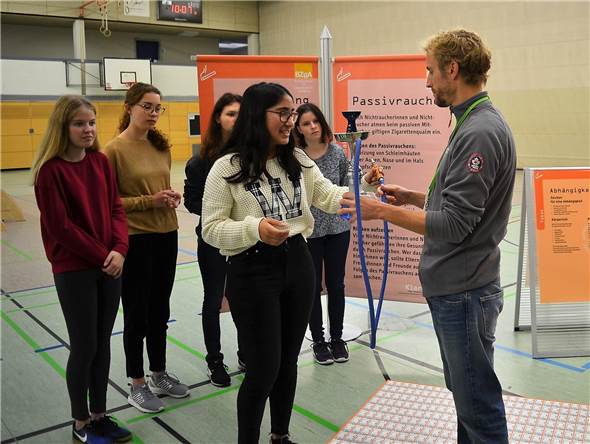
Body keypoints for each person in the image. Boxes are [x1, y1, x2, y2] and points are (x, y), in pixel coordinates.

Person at [340, 29, 515, 443]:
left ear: (453, 70)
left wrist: (382, 210)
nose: (427, 80)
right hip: (461, 286)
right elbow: (464, 203)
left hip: (464, 290)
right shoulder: (472, 121)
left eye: (431, 71)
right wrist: (417, 196)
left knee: (477, 406)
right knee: (468, 399)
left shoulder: (479, 132)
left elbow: (456, 224)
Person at [202, 82, 380, 444]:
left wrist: (365, 187)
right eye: (282, 114)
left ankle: (280, 436)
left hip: (297, 264)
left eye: (292, 114)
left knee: (286, 363)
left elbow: (328, 196)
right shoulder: (226, 168)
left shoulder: (297, 160)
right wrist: (255, 229)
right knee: (262, 369)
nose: (291, 122)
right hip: (252, 271)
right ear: (257, 115)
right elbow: (212, 229)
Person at [32, 95, 132, 444]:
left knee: (102, 343)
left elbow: (116, 209)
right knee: (84, 345)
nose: (87, 129)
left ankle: (100, 415)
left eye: (91, 122)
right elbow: (61, 227)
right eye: (79, 123)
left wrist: (119, 249)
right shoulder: (50, 171)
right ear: (63, 127)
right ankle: (80, 422)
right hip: (75, 269)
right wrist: (104, 254)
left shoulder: (101, 163)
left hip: (109, 266)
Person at [104, 83, 189, 414]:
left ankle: (158, 373)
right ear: (129, 107)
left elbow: (160, 187)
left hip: (166, 234)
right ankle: (136, 383)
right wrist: (149, 201)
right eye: (147, 107)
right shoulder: (113, 151)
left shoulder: (160, 146)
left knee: (160, 312)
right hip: (135, 240)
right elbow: (109, 204)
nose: (154, 113)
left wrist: (168, 196)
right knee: (137, 313)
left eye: (158, 108)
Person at [293, 103, 381, 366]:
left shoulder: (337, 153)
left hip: (338, 230)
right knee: (312, 288)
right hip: (309, 232)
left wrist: (366, 179)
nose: (313, 126)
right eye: (307, 123)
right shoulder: (296, 158)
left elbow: (348, 187)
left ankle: (337, 338)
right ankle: (318, 341)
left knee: (336, 284)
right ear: (298, 129)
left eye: (316, 121)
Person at [184, 92, 245, 387]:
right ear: (218, 118)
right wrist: (221, 207)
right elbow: (192, 202)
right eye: (231, 113)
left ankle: (246, 353)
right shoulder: (200, 163)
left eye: (240, 114)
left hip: (245, 240)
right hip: (213, 242)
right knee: (213, 300)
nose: (236, 119)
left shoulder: (251, 157)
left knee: (243, 299)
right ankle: (215, 361)